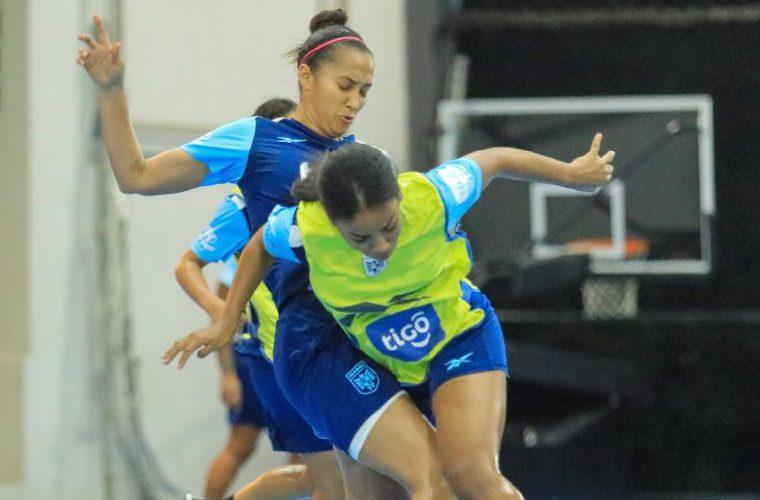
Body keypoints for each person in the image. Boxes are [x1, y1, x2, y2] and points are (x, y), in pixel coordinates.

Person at [163, 136, 615, 499]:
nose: (380, 245)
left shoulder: (434, 195)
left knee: (471, 477)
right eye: (360, 238)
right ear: (333, 221)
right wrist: (228, 318)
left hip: (459, 335)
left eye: (389, 227)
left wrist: (572, 175)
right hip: (379, 357)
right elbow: (260, 245)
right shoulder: (307, 227)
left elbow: (495, 158)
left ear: (399, 197)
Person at [77, 9, 400, 499]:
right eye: (345, 86)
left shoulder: (364, 161)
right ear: (306, 76)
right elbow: (136, 176)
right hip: (301, 346)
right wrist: (111, 90)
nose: (355, 102)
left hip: (363, 338)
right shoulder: (257, 140)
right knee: (346, 484)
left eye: (365, 91)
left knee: (356, 481)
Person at [176, 99, 311, 499]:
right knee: (259, 449)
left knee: (321, 469)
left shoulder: (310, 204)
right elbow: (193, 268)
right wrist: (224, 332)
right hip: (269, 356)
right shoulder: (244, 210)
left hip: (306, 350)